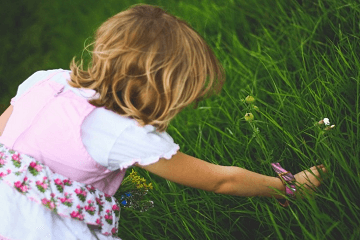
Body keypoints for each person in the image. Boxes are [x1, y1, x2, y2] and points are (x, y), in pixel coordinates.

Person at [0, 3, 327, 240]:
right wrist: (290, 186)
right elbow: (220, 181)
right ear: (164, 88)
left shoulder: (47, 80)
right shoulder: (123, 131)